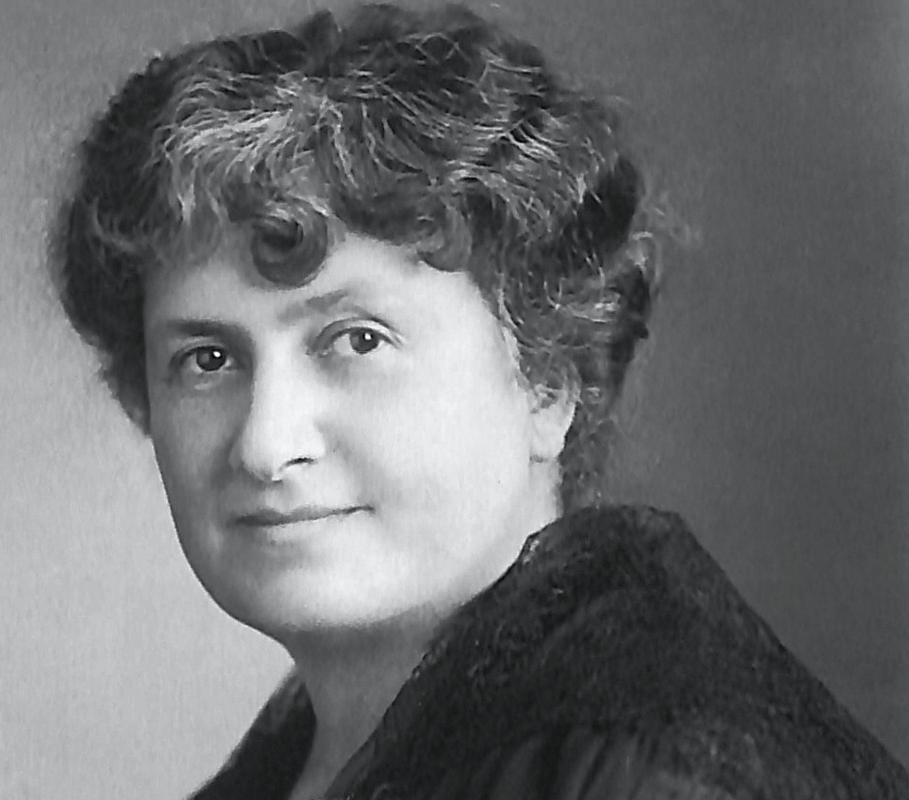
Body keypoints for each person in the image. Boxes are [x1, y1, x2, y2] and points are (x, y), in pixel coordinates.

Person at [49, 3, 909, 798]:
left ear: (549, 381)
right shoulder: (292, 769)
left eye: (357, 340)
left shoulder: (649, 772)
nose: (266, 446)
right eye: (206, 358)